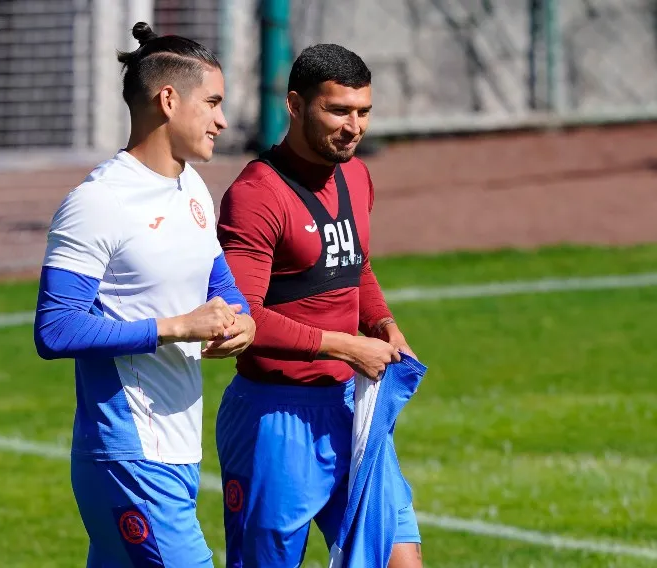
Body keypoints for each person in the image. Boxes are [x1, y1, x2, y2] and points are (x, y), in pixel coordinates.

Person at [33, 22, 255, 568]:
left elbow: (220, 284)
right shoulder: (98, 202)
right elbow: (56, 329)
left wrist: (243, 321)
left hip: (178, 448)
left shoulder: (192, 187)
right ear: (169, 100)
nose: (223, 120)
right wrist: (177, 327)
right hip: (128, 452)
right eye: (212, 103)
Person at [215, 43, 423, 567]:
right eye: (338, 111)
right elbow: (241, 317)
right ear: (295, 104)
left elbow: (356, 267)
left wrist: (383, 323)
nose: (354, 127)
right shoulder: (256, 195)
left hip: (352, 409)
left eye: (363, 112)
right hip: (275, 418)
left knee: (400, 559)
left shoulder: (356, 175)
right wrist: (345, 346)